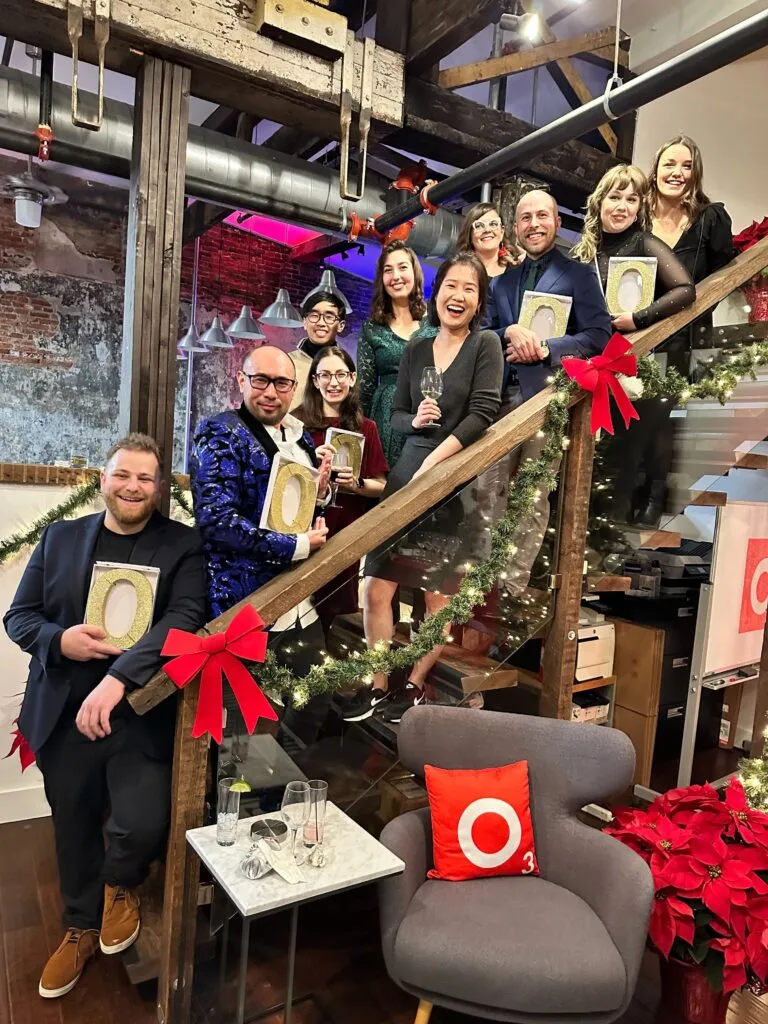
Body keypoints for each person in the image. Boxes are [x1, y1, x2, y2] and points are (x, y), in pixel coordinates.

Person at [3, 433, 207, 999]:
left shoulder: (182, 546)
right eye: (123, 475)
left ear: (160, 487)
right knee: (72, 826)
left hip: (138, 712)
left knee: (141, 821)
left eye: (145, 478)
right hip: (63, 712)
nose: (133, 487)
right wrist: (59, 639)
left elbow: (186, 616)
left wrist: (119, 679)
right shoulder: (60, 538)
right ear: (104, 480)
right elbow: (19, 617)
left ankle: (121, 884)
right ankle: (79, 927)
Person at [342, 252, 502, 725]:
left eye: (469, 289)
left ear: (478, 301)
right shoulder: (415, 350)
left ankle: (412, 686)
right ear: (437, 294)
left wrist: (435, 460)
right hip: (407, 472)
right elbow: (395, 412)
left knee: (438, 595)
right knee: (375, 585)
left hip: (451, 479)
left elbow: (483, 413)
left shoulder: (485, 345)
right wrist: (414, 420)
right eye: (451, 286)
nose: (458, 296)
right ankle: (376, 684)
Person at [190, 345, 333, 746]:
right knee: (239, 721)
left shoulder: (300, 437)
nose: (271, 392)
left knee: (314, 699)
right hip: (244, 603)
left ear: (294, 388)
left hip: (298, 603)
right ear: (242, 381)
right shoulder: (220, 431)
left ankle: (283, 783)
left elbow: (287, 505)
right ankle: (240, 802)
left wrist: (317, 496)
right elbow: (216, 523)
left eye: (282, 383)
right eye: (261, 380)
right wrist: (296, 545)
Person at [573, 164, 696, 523]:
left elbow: (685, 290)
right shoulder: (582, 253)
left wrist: (638, 320)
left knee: (620, 460)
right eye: (615, 197)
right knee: (583, 460)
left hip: (630, 371)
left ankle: (606, 539)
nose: (622, 206)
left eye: (631, 199)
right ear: (599, 202)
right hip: (587, 370)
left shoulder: (645, 243)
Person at [640, 135, 735, 523]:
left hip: (682, 334)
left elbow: (724, 275)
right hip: (633, 333)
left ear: (695, 173)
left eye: (685, 165)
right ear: (656, 169)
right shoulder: (638, 216)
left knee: (662, 414)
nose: (676, 173)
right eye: (669, 164)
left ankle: (652, 499)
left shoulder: (710, 217)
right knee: (630, 416)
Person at [485, 188, 612, 405]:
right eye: (526, 218)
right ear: (516, 229)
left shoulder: (581, 275)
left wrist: (546, 348)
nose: (533, 224)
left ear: (558, 222)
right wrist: (508, 331)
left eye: (542, 215)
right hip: (493, 400)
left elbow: (599, 336)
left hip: (551, 396)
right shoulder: (499, 283)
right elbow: (480, 336)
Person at [294, 346, 389, 635]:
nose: (333, 383)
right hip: (304, 524)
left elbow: (381, 486)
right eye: (325, 375)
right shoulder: (295, 423)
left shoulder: (366, 427)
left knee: (331, 605)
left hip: (346, 526)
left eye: (340, 375)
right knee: (297, 597)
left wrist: (355, 484)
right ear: (314, 380)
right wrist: (309, 461)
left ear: (352, 378)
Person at [358, 241, 438, 465]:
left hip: (427, 412)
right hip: (385, 418)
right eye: (388, 270)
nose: (396, 276)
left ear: (415, 272)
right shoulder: (371, 329)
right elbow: (365, 388)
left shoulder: (436, 323)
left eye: (403, 267)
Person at [288, 291, 347, 411]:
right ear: (304, 322)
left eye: (329, 317)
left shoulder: (347, 368)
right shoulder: (287, 363)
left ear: (341, 326)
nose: (321, 323)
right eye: (314, 316)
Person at [454, 201, 521, 278]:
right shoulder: (459, 272)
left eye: (493, 224)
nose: (487, 230)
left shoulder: (517, 270)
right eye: (479, 226)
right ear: (469, 235)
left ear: (502, 232)